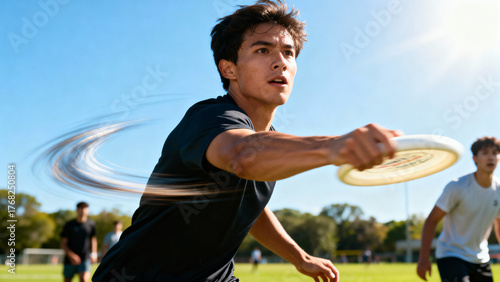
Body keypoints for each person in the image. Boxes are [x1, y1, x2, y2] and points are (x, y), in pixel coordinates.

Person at [93, 1, 401, 281]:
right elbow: (241, 155)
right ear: (228, 68)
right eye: (263, 50)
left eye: (288, 52)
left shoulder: (268, 144)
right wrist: (333, 146)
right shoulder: (211, 117)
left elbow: (251, 209)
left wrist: (301, 258)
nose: (281, 62)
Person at [417, 136, 500, 282]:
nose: (491, 157)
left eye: (495, 153)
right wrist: (423, 258)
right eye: (485, 153)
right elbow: (432, 220)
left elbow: (498, 224)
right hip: (452, 255)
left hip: (481, 258)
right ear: (475, 158)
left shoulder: (498, 190)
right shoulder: (457, 187)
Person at [61, 201, 97, 282]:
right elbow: (63, 243)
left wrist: (94, 253)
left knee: (84, 279)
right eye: (81, 209)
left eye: (85, 209)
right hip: (69, 259)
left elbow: (93, 239)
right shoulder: (69, 225)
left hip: (85, 257)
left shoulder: (91, 224)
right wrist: (71, 255)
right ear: (77, 210)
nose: (83, 211)